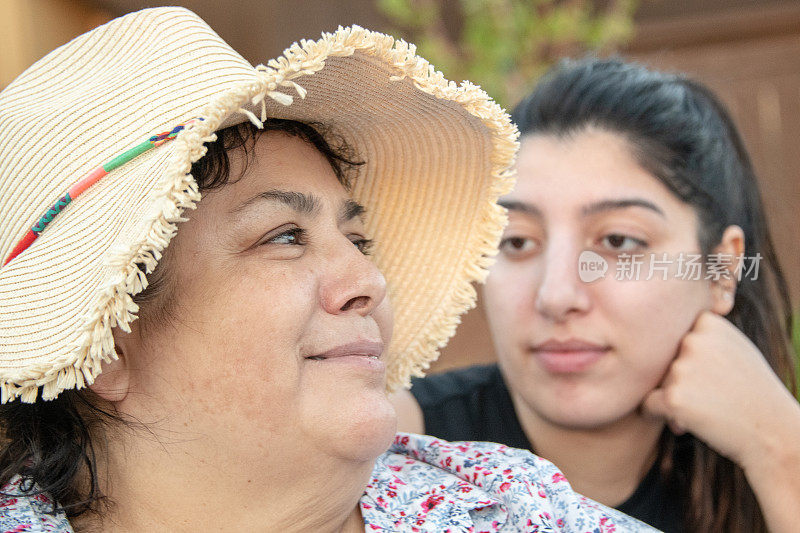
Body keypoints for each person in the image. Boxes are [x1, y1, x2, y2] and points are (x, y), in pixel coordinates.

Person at [0, 8, 655, 532]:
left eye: (358, 238)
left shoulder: (510, 509)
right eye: (284, 236)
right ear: (110, 339)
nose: (369, 282)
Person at [394, 57, 800, 533]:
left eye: (618, 241)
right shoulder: (399, 446)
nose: (557, 295)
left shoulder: (764, 465)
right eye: (518, 241)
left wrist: (780, 450)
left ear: (721, 270)